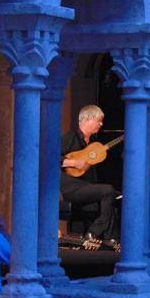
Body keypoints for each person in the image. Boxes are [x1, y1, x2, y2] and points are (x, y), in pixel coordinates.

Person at [60, 105, 121, 249]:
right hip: (69, 187)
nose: (101, 124)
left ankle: (112, 240)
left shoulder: (92, 144)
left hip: (84, 187)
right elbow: (49, 156)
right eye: (99, 121)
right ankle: (93, 232)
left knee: (115, 196)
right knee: (108, 190)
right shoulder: (70, 137)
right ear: (88, 119)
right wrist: (73, 162)